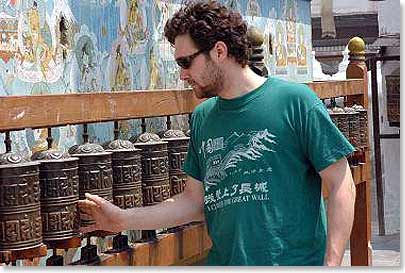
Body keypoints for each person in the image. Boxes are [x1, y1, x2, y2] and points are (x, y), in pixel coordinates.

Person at [79, 0, 356, 266]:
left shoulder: (296, 102)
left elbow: (341, 184)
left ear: (220, 51)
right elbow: (193, 202)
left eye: (186, 62)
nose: (182, 75)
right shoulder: (203, 118)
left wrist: (331, 263)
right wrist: (122, 219)